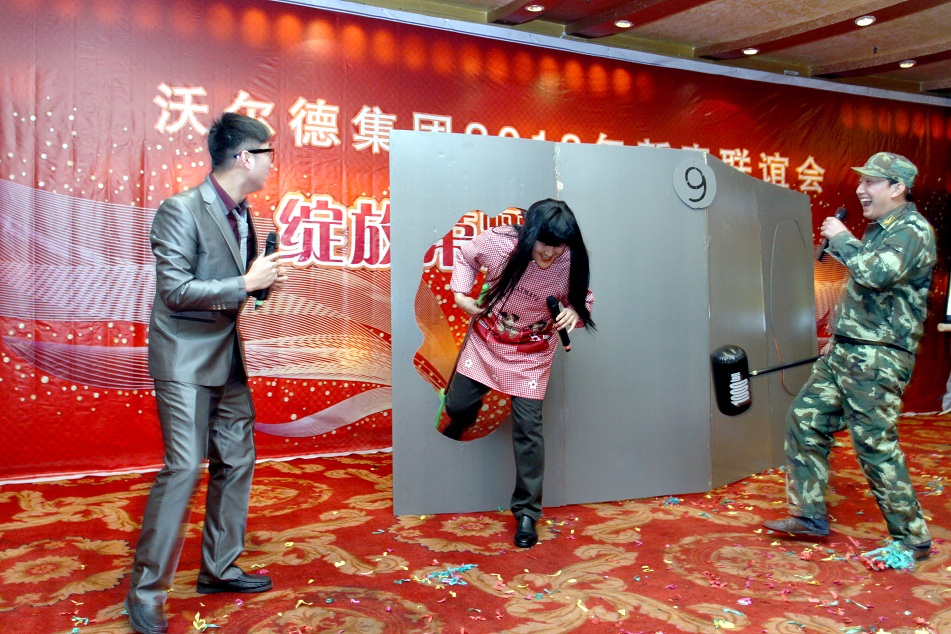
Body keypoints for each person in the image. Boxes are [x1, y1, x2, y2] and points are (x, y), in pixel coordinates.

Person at [125, 113, 286, 634]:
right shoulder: (181, 209)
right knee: (182, 469)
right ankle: (145, 592)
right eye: (268, 153)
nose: (272, 163)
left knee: (236, 461)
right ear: (244, 157)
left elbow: (234, 284)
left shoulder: (244, 213)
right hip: (185, 359)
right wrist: (245, 283)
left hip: (227, 356)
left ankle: (219, 568)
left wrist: (262, 284)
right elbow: (175, 290)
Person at [763, 152, 936, 562]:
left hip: (878, 359)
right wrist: (839, 336)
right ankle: (808, 515)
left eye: (871, 182)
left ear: (897, 188)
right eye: (861, 182)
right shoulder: (879, 230)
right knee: (805, 419)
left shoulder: (912, 230)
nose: (861, 190)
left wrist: (842, 237)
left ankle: (912, 537)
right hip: (848, 351)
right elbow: (864, 291)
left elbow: (876, 274)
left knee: (874, 444)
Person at [441, 199, 595, 548]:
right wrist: (460, 294)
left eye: (558, 245)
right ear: (529, 233)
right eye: (543, 243)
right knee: (458, 406)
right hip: (487, 341)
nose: (550, 252)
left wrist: (574, 313)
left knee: (529, 430)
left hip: (531, 354)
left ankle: (527, 513)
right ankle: (458, 420)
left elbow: (582, 298)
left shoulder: (570, 259)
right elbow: (465, 257)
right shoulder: (499, 243)